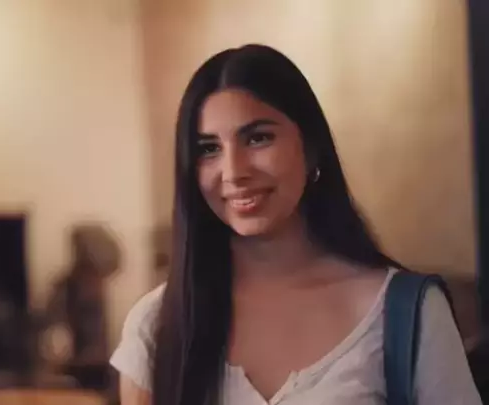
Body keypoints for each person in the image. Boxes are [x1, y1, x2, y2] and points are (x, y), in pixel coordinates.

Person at [110, 45, 481, 405]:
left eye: (258, 138)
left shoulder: (405, 312)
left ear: (312, 148)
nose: (234, 171)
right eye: (209, 148)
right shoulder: (157, 324)